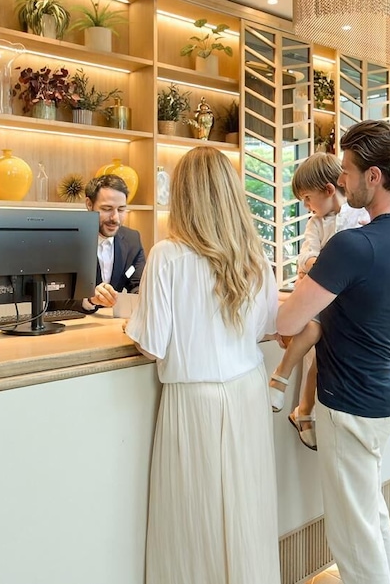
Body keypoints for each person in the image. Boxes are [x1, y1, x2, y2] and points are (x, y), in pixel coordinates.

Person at [277, 120, 390, 584]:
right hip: (383, 395)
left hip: (348, 403)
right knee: (370, 516)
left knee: (353, 535)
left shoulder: (353, 245)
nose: (341, 179)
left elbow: (287, 322)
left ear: (374, 176)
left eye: (346, 169)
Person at [125, 147, 280, 584]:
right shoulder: (255, 255)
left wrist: (130, 324)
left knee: (192, 522)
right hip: (247, 390)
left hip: (193, 402)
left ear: (182, 195)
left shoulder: (167, 255)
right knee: (247, 511)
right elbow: (267, 327)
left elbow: (151, 346)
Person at [268, 152, 369, 450]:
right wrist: (325, 266)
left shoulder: (358, 215)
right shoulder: (316, 223)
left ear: (328, 189)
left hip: (344, 301)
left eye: (307, 198)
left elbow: (347, 261)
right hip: (322, 297)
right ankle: (282, 380)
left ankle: (304, 410)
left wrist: (322, 266)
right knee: (313, 332)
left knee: (322, 355)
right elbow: (306, 258)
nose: (306, 206)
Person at [54, 174, 145, 313]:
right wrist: (89, 299)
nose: (115, 218)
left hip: (110, 322)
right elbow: (54, 297)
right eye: (107, 209)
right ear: (89, 204)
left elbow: (138, 285)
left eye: (121, 209)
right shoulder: (65, 240)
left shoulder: (132, 239)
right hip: (74, 322)